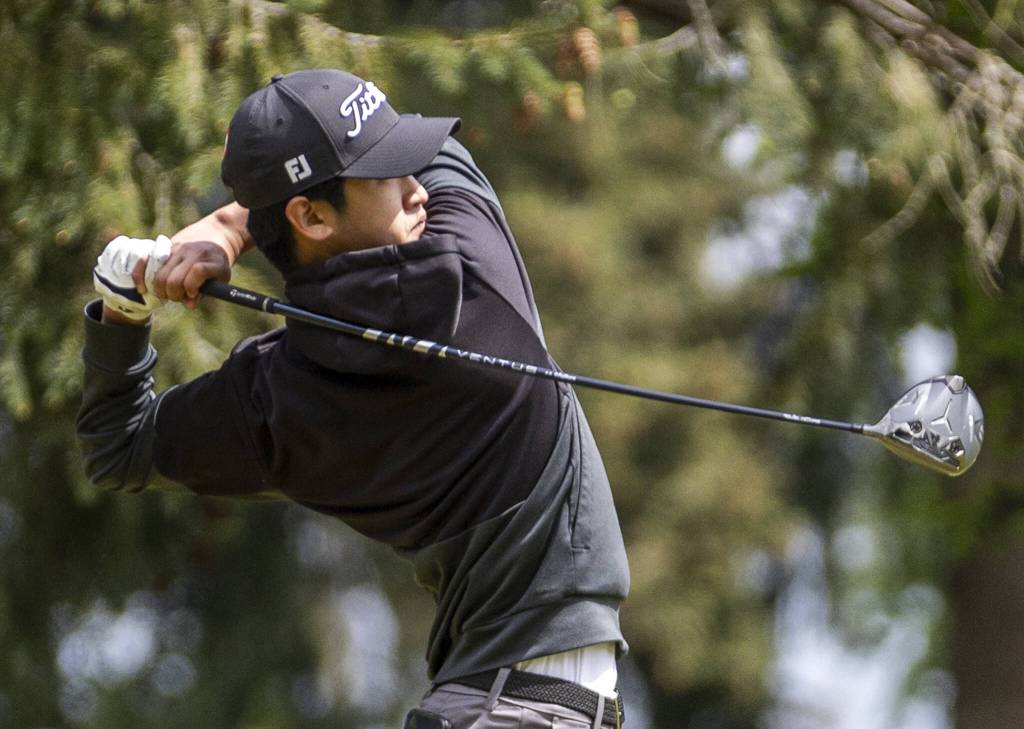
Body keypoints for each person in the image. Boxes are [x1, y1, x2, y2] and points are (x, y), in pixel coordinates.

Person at [78, 68, 630, 729]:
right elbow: (450, 156)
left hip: (487, 703)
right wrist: (229, 227)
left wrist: (122, 307)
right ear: (308, 215)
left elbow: (119, 444)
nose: (417, 189)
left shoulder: (275, 399)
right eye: (387, 175)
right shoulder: (471, 264)